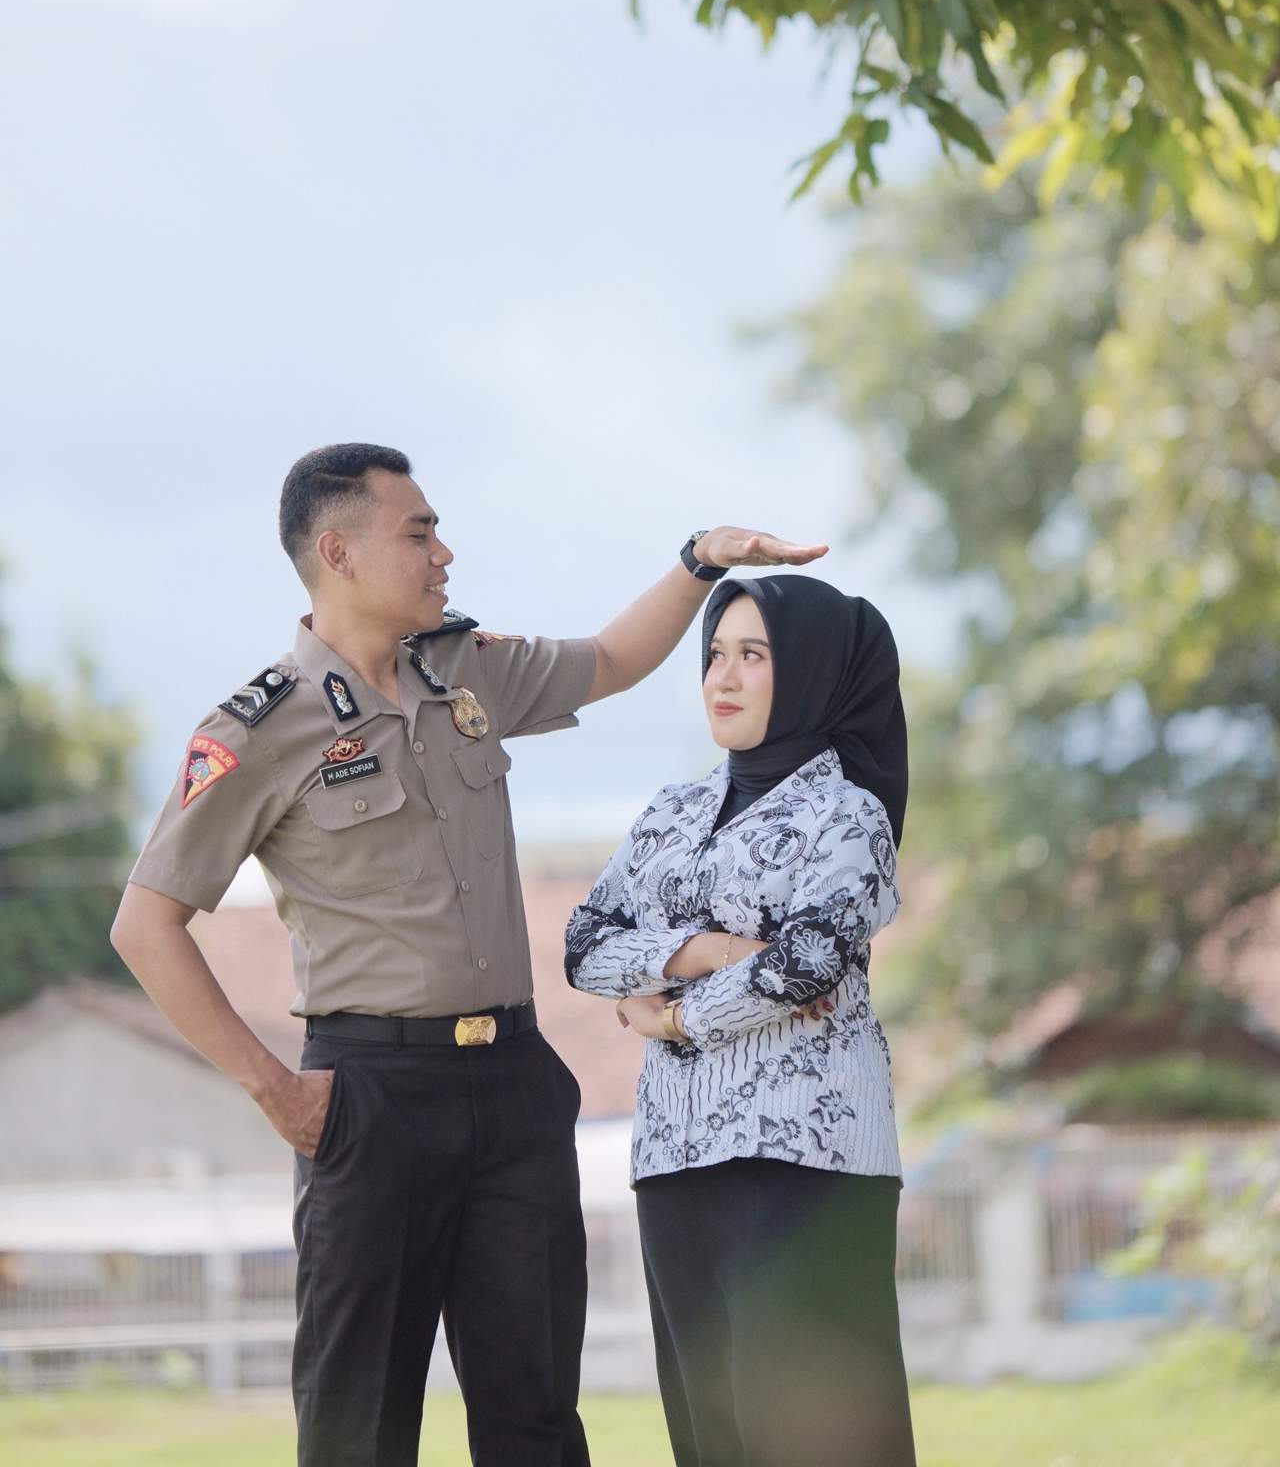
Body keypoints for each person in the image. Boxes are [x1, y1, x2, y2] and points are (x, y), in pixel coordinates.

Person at [109, 441, 826, 1467]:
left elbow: (609, 661)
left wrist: (697, 561)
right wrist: (277, 1092)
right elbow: (145, 926)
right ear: (338, 553)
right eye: (419, 533)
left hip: (513, 1087)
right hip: (371, 1097)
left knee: (536, 1419)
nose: (443, 553)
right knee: (357, 1427)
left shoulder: (464, 669)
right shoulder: (256, 729)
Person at [564, 573, 916, 1467]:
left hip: (806, 1158)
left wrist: (670, 1021)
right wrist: (711, 951)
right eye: (715, 654)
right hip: (674, 1156)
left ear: (810, 674)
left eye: (753, 655)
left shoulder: (850, 817)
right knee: (711, 1433)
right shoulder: (670, 812)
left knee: (816, 1438)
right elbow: (584, 946)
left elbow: (806, 964)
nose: (722, 676)